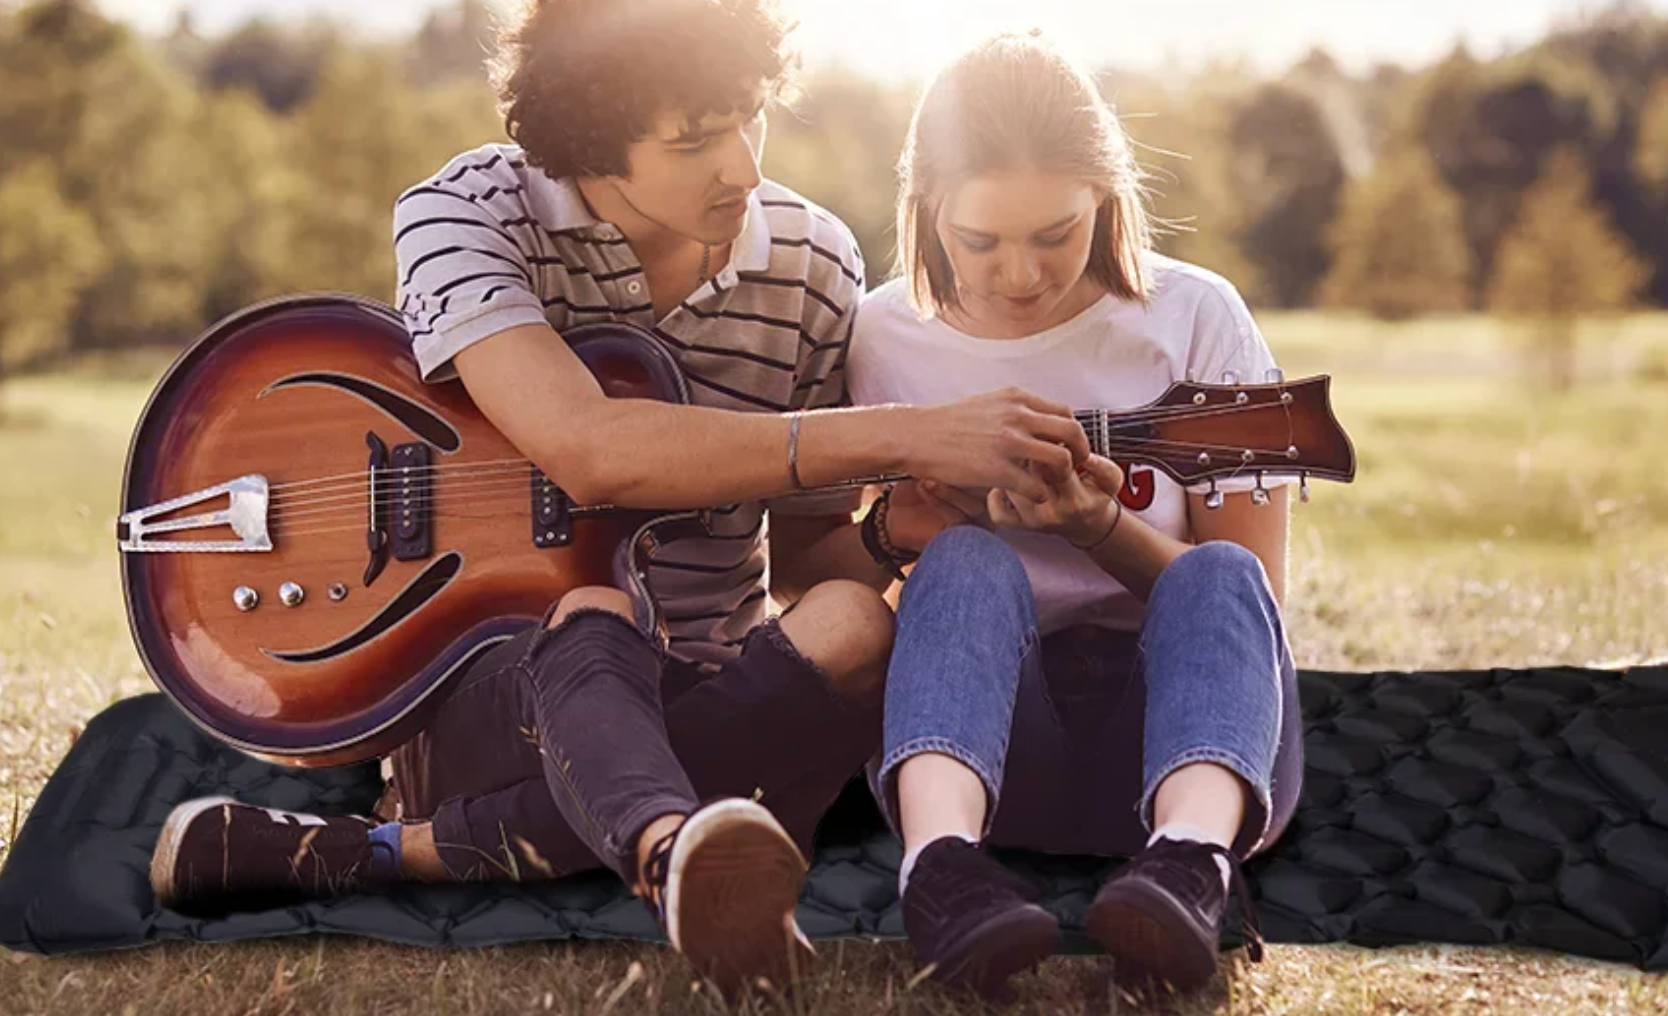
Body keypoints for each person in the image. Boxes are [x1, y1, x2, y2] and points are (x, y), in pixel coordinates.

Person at [147, 1, 1091, 993]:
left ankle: (434, 849)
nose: (744, 167)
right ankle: (665, 846)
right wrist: (907, 429)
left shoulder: (814, 264)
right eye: (694, 142)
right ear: (587, 143)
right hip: (502, 694)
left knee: (858, 623)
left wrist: (896, 527)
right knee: (592, 606)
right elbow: (590, 452)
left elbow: (807, 561)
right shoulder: (467, 212)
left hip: (719, 688)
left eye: (750, 117)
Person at [845, 32, 1305, 1000]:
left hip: (1189, 732)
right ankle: (941, 871)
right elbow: (820, 575)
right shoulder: (882, 334)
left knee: (1219, 573)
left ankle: (1187, 871)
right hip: (984, 739)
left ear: (1107, 196)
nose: (1020, 273)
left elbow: (1248, 605)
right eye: (981, 241)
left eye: (1056, 234)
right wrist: (900, 533)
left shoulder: (1195, 316)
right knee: (964, 562)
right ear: (926, 208)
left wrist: (1095, 528)